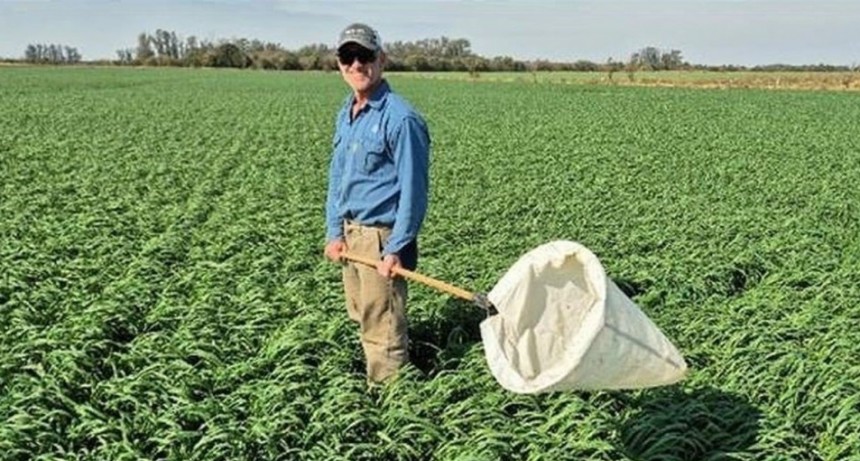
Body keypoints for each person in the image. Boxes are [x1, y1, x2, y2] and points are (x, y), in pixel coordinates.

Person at [323, 23, 431, 384]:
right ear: (339, 63)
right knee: (363, 314)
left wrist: (396, 247)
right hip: (352, 235)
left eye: (364, 56)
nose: (356, 64)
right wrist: (334, 231)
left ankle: (393, 409)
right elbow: (340, 178)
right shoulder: (348, 111)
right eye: (347, 56)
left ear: (381, 59)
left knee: (383, 330)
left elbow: (413, 193)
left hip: (381, 238)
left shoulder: (401, 119)